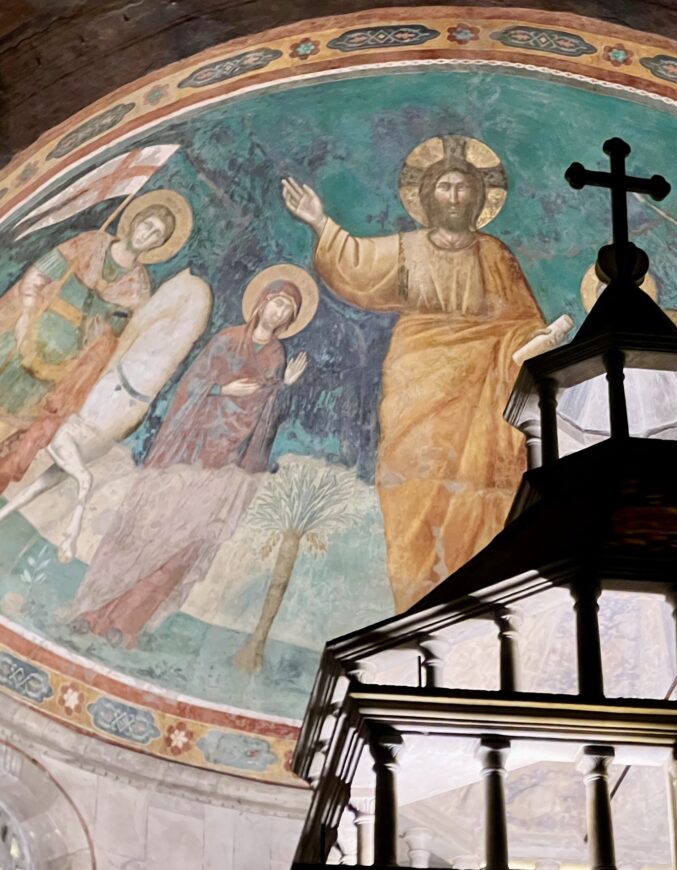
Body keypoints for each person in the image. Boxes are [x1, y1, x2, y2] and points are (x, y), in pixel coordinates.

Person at [282, 135, 545, 610]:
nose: (454, 196)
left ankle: (477, 586)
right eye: (444, 187)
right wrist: (320, 222)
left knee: (480, 485)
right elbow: (358, 265)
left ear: (479, 199)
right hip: (417, 380)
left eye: (464, 189)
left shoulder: (495, 254)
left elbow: (524, 324)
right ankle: (417, 600)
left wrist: (528, 347)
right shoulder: (407, 248)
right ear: (427, 197)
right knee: (414, 483)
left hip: (482, 387)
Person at [64, 268, 314, 648]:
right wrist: (221, 388)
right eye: (277, 303)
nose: (279, 313)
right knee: (141, 531)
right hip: (188, 452)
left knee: (183, 547)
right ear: (262, 302)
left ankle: (126, 623)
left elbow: (264, 410)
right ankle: (90, 610)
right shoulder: (227, 339)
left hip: (224, 468)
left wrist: (283, 387)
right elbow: (191, 384)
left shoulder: (276, 356)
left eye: (288, 310)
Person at [0, 190, 191, 493]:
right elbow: (38, 274)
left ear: (160, 244)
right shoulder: (92, 242)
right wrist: (25, 315)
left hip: (60, 369)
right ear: (135, 222)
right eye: (147, 226)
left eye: (157, 234)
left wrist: (95, 346)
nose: (148, 235)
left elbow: (111, 339)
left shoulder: (138, 287)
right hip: (25, 338)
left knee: (14, 425)